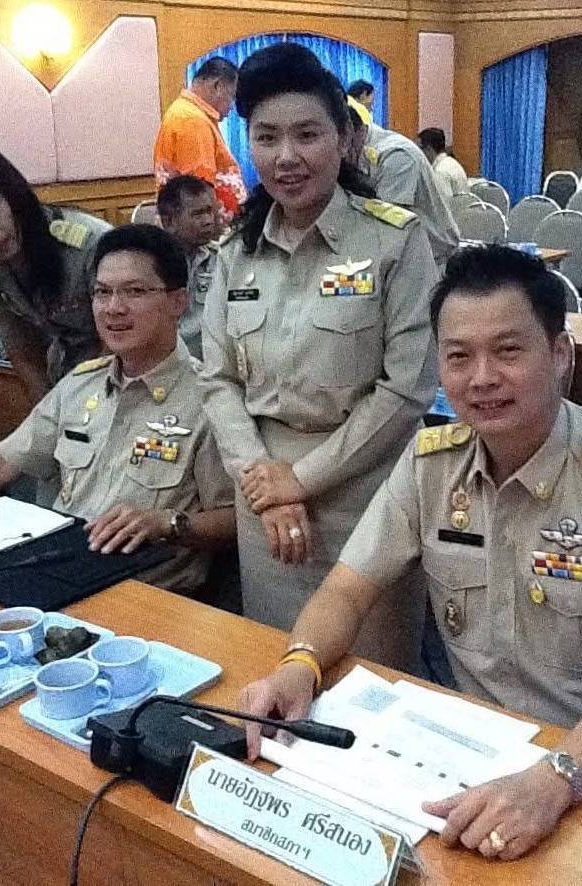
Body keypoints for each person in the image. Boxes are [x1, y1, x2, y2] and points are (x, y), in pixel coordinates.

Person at [240, 245, 582, 861]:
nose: (482, 378)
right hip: (466, 752)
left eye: (508, 351)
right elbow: (347, 588)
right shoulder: (430, 465)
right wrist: (300, 665)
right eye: (458, 356)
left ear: (560, 355)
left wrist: (552, 781)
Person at [200, 43, 438, 671]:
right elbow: (217, 380)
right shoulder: (236, 253)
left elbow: (406, 391)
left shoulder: (394, 241)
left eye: (307, 134)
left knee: (371, 682)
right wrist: (266, 483)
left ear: (344, 139)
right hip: (263, 502)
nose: (286, 156)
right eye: (266, 137)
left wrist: (300, 481)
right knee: (269, 670)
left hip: (369, 497)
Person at [0, 224, 235, 600]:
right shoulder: (80, 383)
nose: (114, 308)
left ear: (178, 301)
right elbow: (0, 462)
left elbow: (235, 521)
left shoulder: (211, 398)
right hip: (58, 575)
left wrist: (167, 524)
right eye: (102, 292)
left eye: (134, 292)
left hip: (148, 595)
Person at [0, 139, 110, 401]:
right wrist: (47, 416)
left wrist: (83, 411)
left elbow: (122, 343)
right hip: (65, 379)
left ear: (13, 195)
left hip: (125, 373)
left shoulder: (90, 245)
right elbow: (23, 354)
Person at [153, 57, 246, 222]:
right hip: (205, 228)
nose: (231, 107)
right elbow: (199, 189)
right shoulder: (192, 120)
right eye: (232, 97)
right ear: (217, 86)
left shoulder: (185, 112)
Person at [362, 120, 459, 268]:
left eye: (419, 147)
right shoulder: (450, 164)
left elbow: (389, 225)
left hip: (432, 256)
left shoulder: (401, 157)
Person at [157, 174, 220, 360]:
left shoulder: (220, 258)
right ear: (169, 222)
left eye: (209, 211)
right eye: (198, 214)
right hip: (169, 362)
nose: (208, 220)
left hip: (212, 361)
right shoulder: (150, 266)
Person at [417, 127, 468, 202]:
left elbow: (444, 204)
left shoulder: (440, 172)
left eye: (419, 148)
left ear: (428, 149)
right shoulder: (451, 162)